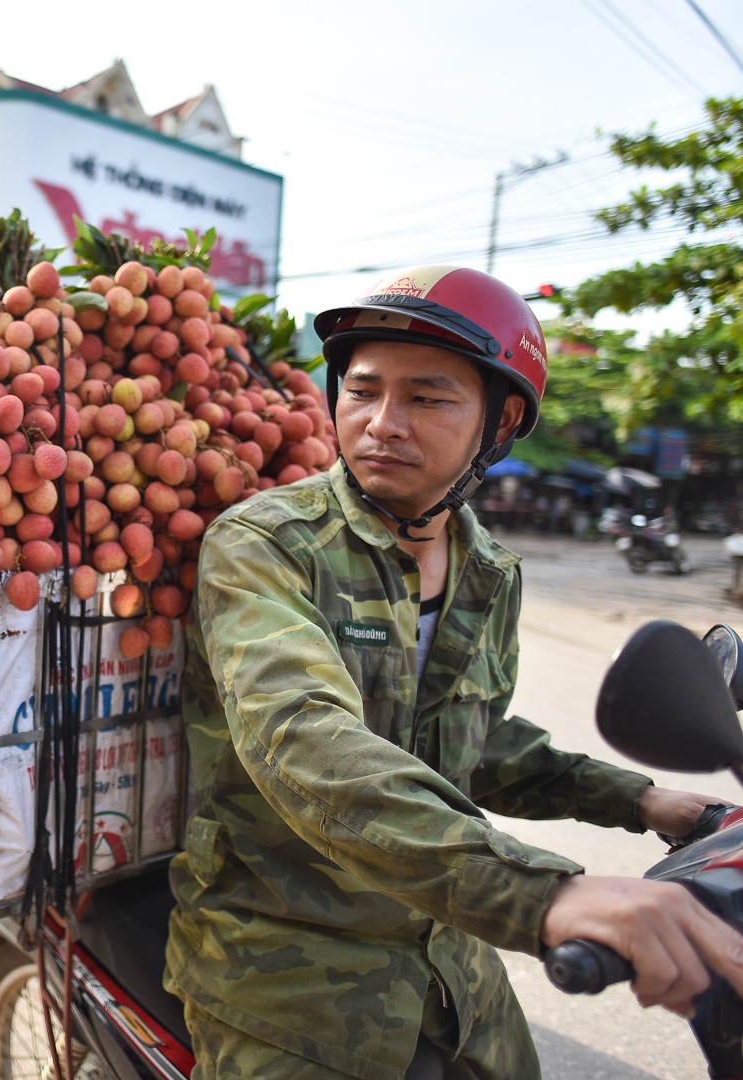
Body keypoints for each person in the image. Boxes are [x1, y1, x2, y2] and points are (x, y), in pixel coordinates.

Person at [163, 265, 743, 1079]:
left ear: (501, 421)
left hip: (452, 959)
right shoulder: (265, 545)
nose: (381, 424)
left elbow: (477, 743)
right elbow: (300, 737)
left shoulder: (489, 572)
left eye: (427, 398)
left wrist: (644, 801)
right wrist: (545, 896)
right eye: (362, 392)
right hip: (284, 971)